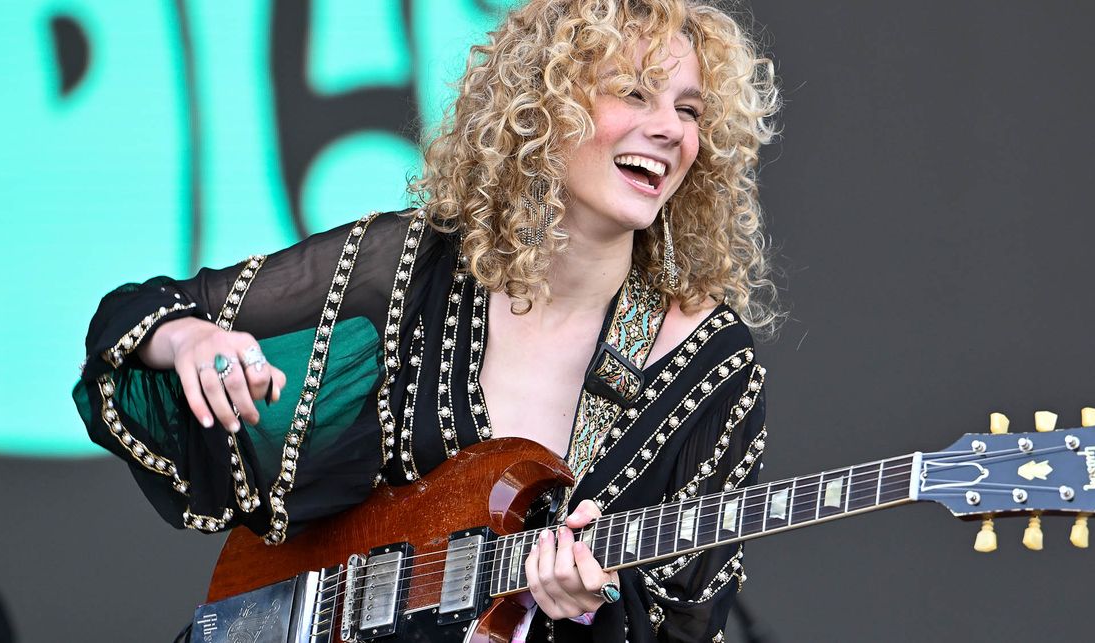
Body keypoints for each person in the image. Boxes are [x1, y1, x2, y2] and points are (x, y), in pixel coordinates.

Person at [72, 0, 782, 639]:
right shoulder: (417, 264)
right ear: (545, 107)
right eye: (633, 92)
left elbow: (687, 622)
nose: (668, 129)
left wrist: (591, 608)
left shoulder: (711, 362)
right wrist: (193, 340)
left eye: (689, 110)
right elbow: (146, 314)